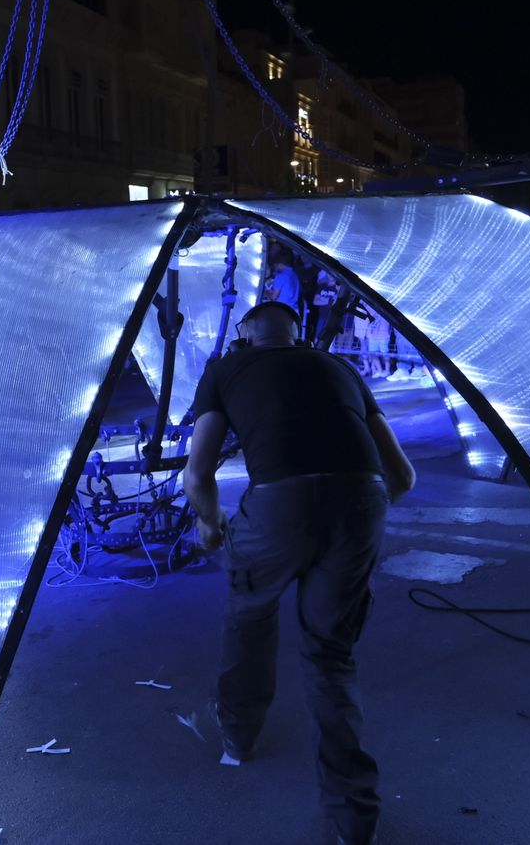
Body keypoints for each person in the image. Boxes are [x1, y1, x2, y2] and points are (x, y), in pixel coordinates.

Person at [183, 300, 415, 845]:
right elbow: (400, 475)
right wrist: (351, 522)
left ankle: (237, 740)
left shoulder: (226, 369)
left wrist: (211, 524)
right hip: (363, 500)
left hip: (277, 507)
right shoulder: (341, 368)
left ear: (243, 336)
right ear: (299, 335)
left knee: (250, 614)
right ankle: (354, 821)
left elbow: (198, 477)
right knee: (331, 656)